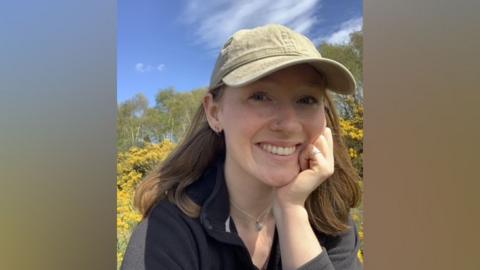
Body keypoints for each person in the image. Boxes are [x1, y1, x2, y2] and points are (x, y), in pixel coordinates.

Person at [121, 24, 362, 270]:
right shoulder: (169, 234)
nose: (289, 123)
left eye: (307, 99)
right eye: (260, 96)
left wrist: (291, 211)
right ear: (214, 113)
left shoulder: (330, 217)